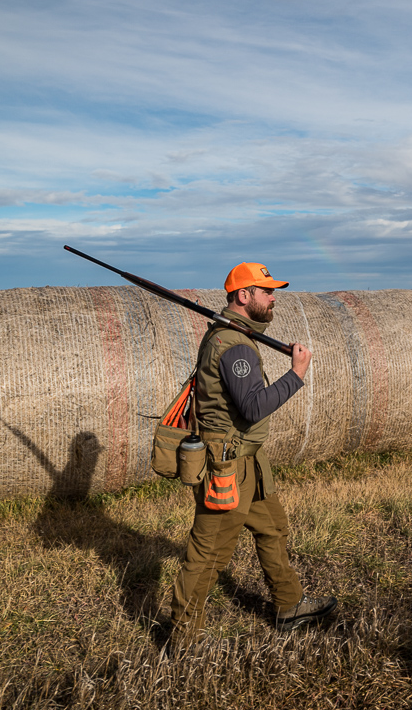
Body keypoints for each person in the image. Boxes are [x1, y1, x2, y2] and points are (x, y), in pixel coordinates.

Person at [169, 261, 336, 643]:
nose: (274, 298)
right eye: (267, 291)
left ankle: (288, 606)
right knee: (208, 553)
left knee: (272, 528)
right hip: (228, 465)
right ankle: (182, 638)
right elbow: (253, 407)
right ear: (244, 295)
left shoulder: (237, 335)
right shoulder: (233, 344)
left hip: (249, 459)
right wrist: (296, 374)